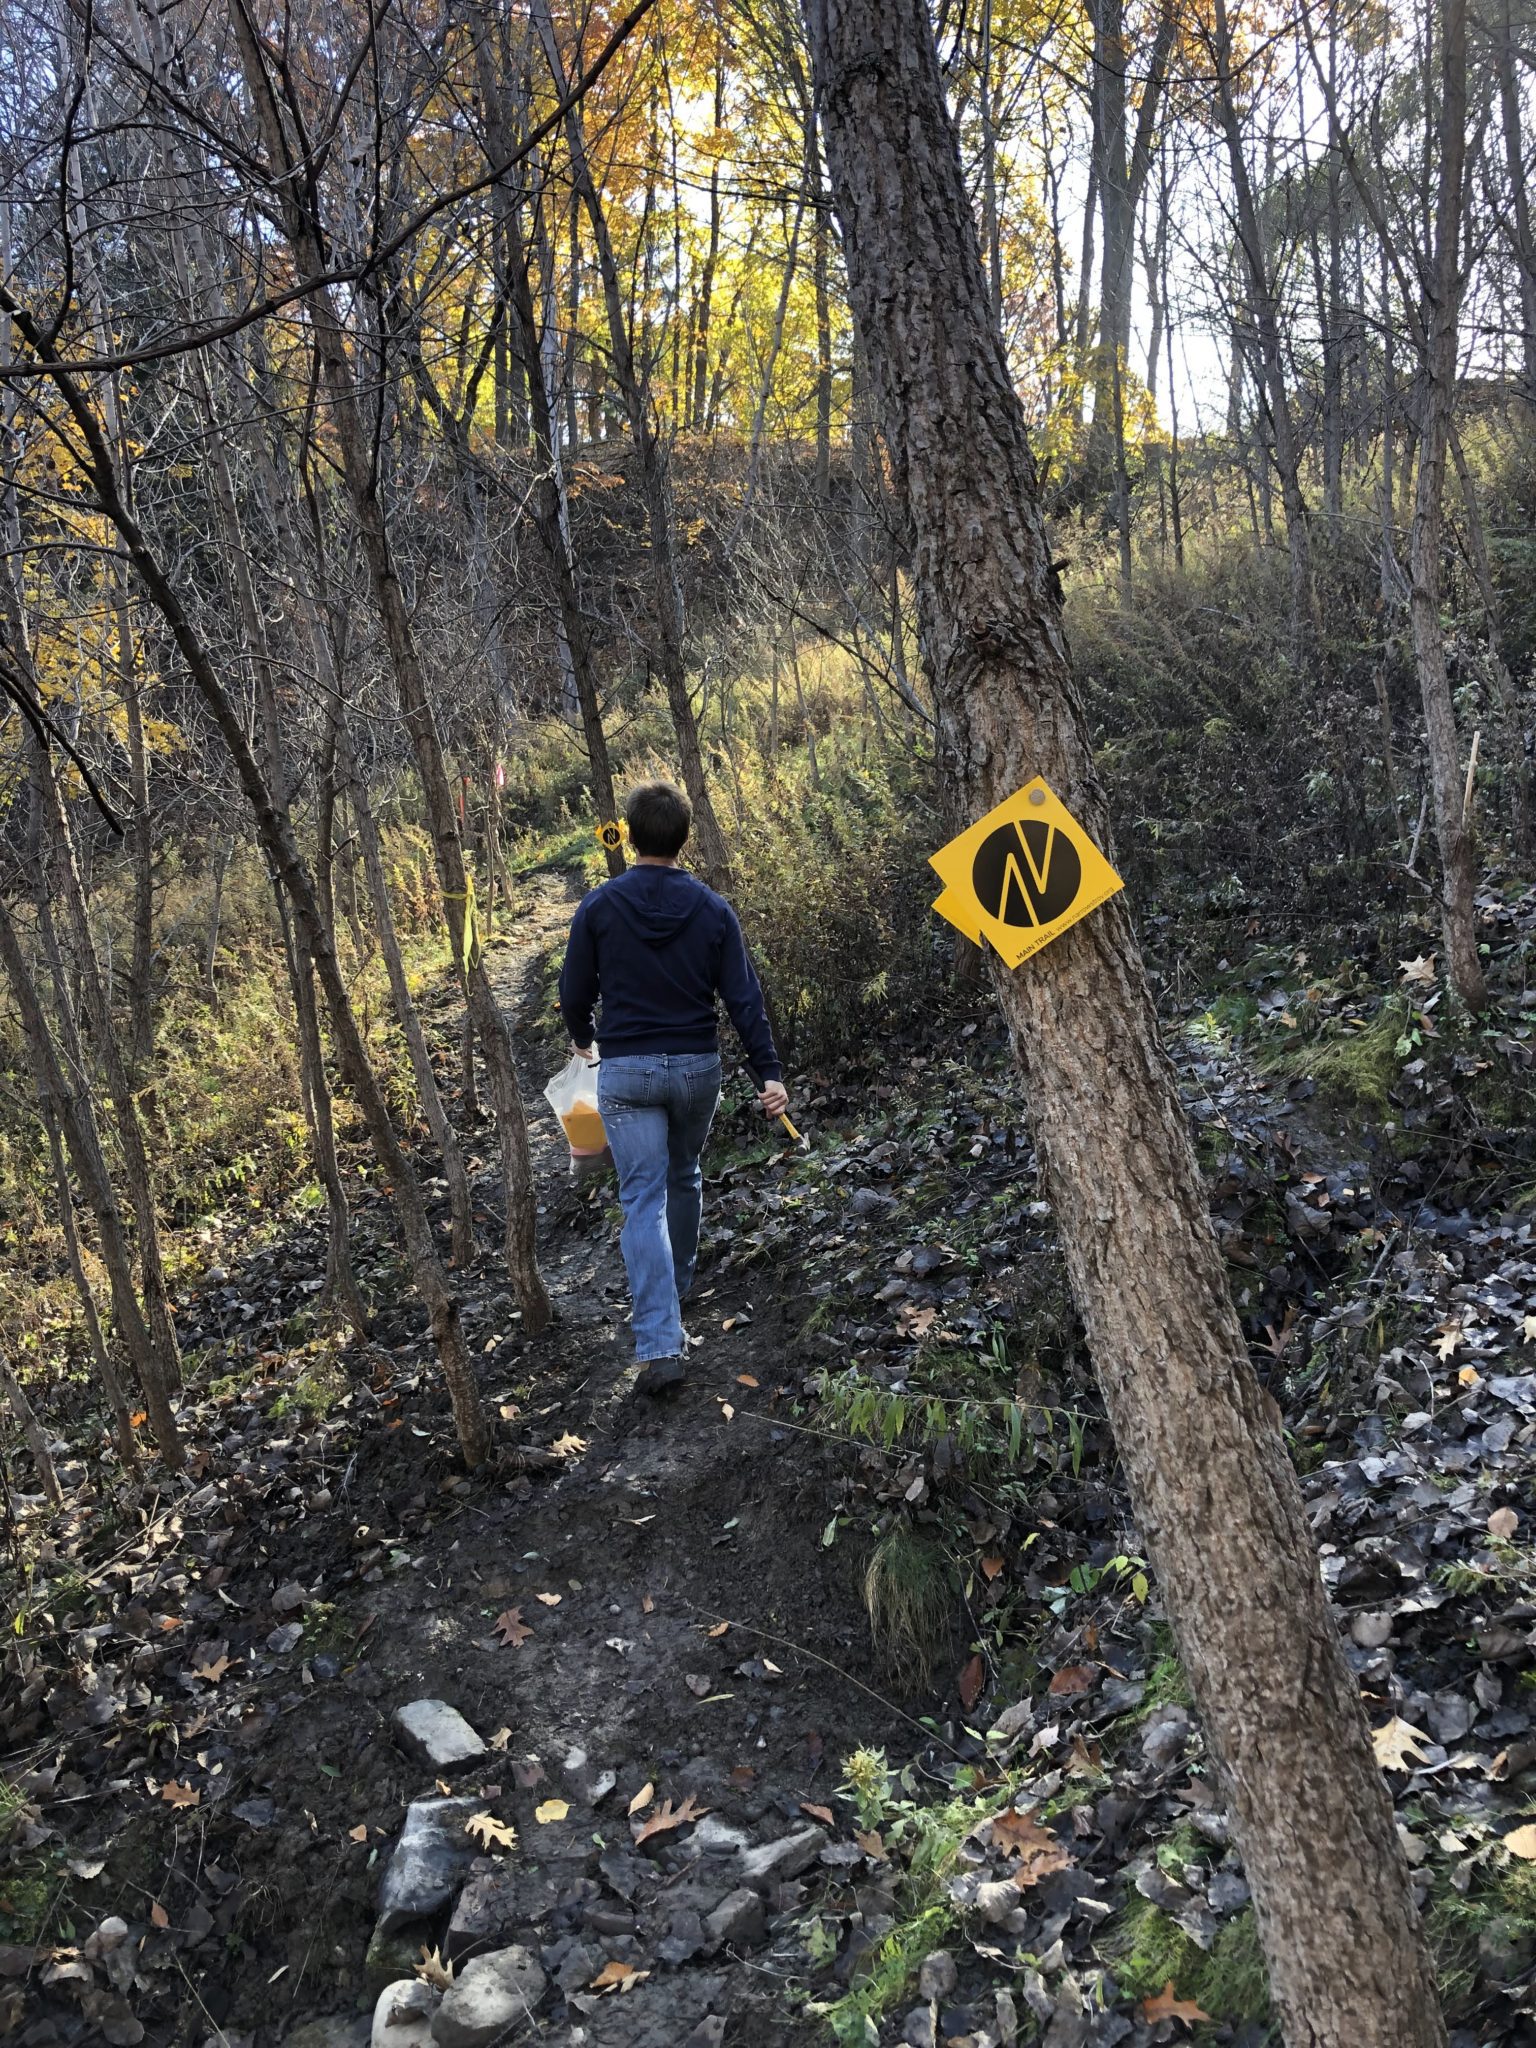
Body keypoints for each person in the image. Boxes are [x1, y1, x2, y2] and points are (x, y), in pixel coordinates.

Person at [558, 781, 788, 1394]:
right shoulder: (713, 909)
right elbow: (744, 999)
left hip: (628, 1072)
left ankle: (661, 1342)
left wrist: (582, 1037)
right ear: (685, 837)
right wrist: (768, 1071)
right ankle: (676, 1286)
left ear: (629, 835)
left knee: (642, 1197)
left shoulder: (599, 906)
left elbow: (574, 991)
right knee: (683, 1174)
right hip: (695, 1070)